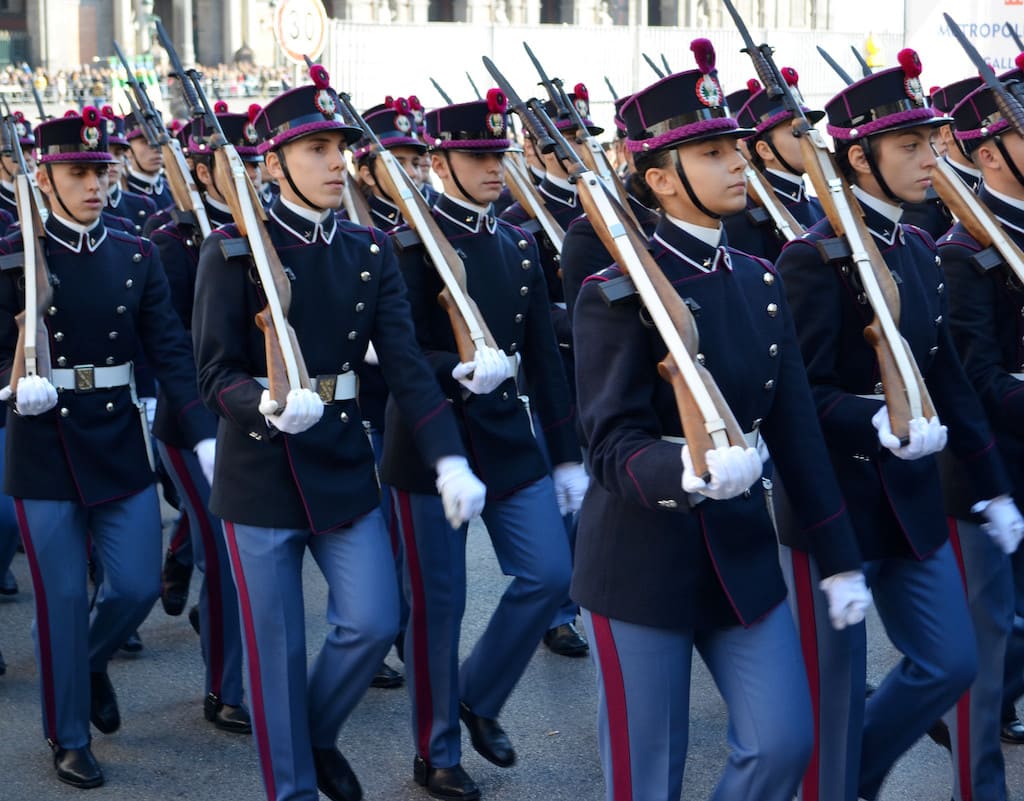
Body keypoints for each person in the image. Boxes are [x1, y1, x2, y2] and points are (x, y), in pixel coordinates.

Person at [571, 41, 870, 801]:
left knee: (783, 741)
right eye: (712, 153)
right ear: (662, 178)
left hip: (740, 555)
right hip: (640, 560)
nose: (739, 162)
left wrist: (837, 557)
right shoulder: (616, 291)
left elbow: (798, 431)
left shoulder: (761, 279)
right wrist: (689, 469)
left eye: (736, 146)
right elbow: (609, 445)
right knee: (648, 776)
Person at [191, 63, 486, 801]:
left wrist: (448, 456)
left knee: (372, 617)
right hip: (259, 472)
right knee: (279, 651)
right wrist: (260, 402)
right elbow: (214, 372)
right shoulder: (232, 250)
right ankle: (290, 786)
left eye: (339, 148)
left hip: (343, 464)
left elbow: (410, 366)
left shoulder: (368, 250)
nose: (335, 162)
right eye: (316, 149)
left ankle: (314, 734)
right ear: (276, 161)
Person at [774, 50, 1023, 801]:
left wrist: (990, 487)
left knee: (950, 661)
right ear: (860, 158)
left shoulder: (913, 248)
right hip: (835, 507)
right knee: (835, 690)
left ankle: (850, 770)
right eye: (910, 146)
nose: (930, 157)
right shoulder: (811, 259)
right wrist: (874, 415)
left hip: (912, 501)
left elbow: (948, 377)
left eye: (930, 141)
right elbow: (800, 398)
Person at [0, 107, 217, 789]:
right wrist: (10, 389)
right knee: (62, 597)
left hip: (118, 435)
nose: (94, 182)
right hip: (41, 441)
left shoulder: (134, 252)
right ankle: (68, 734)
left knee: (133, 584)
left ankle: (87, 663)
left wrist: (204, 434)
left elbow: (171, 352)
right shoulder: (13, 254)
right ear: (44, 176)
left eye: (100, 168)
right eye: (76, 171)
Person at [381, 90, 587, 799]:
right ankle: (435, 750)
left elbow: (545, 359)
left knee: (550, 573)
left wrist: (565, 454)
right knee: (439, 604)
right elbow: (397, 352)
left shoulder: (517, 242)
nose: (494, 166)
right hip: (427, 446)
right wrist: (455, 367)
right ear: (441, 161)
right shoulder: (408, 245)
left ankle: (476, 696)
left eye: (499, 154)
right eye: (477, 155)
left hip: (506, 435)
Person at [149, 107, 259, 734]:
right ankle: (225, 687)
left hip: (254, 416)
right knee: (221, 551)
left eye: (252, 160)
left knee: (245, 556)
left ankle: (216, 622)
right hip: (193, 422)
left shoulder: (268, 231)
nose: (244, 173)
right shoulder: (172, 244)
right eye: (230, 162)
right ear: (199, 170)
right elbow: (171, 348)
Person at [933, 75, 1024, 801]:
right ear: (990, 154)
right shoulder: (963, 249)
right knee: (984, 644)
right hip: (990, 470)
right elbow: (977, 377)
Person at [500, 83, 601, 658]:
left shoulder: (609, 208)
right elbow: (526, 315)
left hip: (609, 367)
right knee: (567, 488)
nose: (583, 150)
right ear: (538, 152)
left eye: (586, 139)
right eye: (570, 142)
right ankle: (560, 610)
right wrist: (578, 321)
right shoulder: (521, 219)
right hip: (556, 372)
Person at [722, 68, 825, 264]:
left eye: (811, 129)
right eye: (796, 133)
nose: (810, 138)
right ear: (765, 150)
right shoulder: (742, 220)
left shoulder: (821, 206)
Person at [123, 111, 172, 208]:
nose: (156, 148)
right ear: (128, 151)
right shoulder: (123, 195)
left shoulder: (173, 189)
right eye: (146, 142)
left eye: (159, 140)